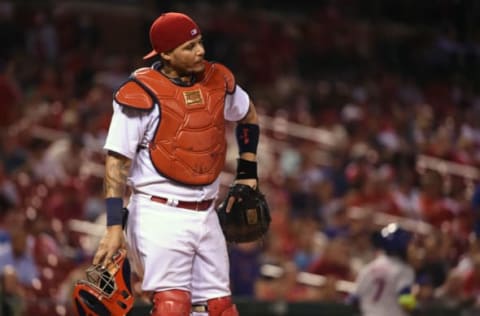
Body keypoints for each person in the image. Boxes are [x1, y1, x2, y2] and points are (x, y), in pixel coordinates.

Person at [92, 11, 260, 316]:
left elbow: (248, 116)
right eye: (189, 47)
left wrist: (248, 173)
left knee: (219, 308)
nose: (201, 51)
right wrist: (113, 226)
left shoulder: (217, 80)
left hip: (207, 212)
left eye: (200, 42)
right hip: (159, 214)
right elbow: (116, 161)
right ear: (166, 53)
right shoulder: (140, 93)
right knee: (173, 306)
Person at [350, 223, 417, 316]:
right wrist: (416, 309)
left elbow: (354, 299)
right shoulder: (403, 270)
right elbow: (405, 300)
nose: (411, 248)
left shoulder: (368, 268)